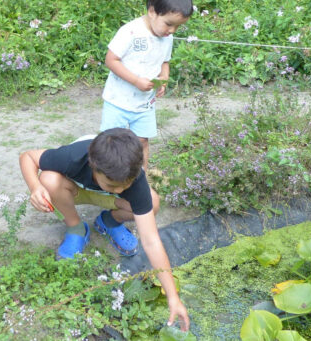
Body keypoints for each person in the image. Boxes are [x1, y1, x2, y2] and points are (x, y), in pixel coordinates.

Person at [18, 128, 190, 330]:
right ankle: (75, 227)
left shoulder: (134, 179)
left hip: (111, 199)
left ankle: (109, 221)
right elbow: (27, 157)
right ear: (93, 166)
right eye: (113, 184)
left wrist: (172, 296)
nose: (120, 189)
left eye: (125, 185)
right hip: (73, 189)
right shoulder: (74, 156)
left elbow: (151, 241)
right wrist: (35, 187)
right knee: (48, 179)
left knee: (152, 204)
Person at [101, 0, 193, 167]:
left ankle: (142, 176)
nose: (172, 30)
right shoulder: (130, 32)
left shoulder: (167, 37)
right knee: (112, 142)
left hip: (145, 103)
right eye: (169, 24)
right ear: (152, 12)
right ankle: (110, 176)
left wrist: (163, 78)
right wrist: (136, 80)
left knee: (142, 141)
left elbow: (165, 61)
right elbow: (111, 60)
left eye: (177, 26)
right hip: (118, 101)